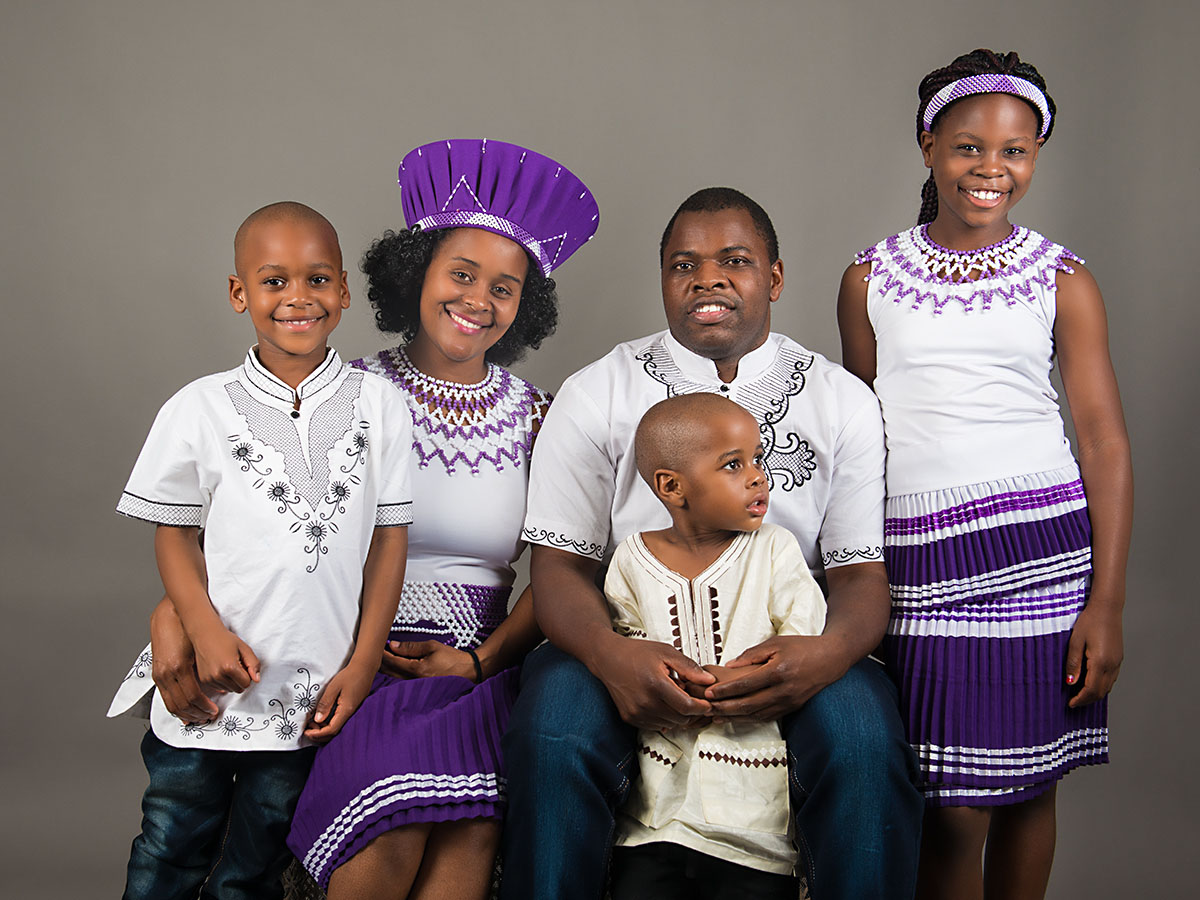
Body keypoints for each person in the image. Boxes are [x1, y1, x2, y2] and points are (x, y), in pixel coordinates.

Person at [148, 140, 600, 900]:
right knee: (390, 826)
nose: (479, 300)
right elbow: (241, 527)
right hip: (350, 661)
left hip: (476, 671)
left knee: (473, 831)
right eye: (461, 274)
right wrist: (172, 615)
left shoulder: (541, 420)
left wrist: (482, 662)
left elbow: (564, 577)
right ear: (413, 273)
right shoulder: (345, 396)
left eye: (505, 287)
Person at [504, 187, 924, 900]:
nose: (708, 279)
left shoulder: (839, 397)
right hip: (629, 635)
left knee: (861, 737)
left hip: (791, 638)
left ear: (775, 278)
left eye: (735, 260)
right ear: (663, 280)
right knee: (554, 726)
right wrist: (611, 654)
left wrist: (820, 657)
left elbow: (858, 576)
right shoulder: (597, 390)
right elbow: (559, 568)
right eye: (683, 265)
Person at [836, 49, 1131, 900]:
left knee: (1029, 788)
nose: (990, 169)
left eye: (1014, 151)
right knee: (951, 803)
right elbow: (860, 436)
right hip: (921, 561)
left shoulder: (1062, 278)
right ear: (928, 146)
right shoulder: (868, 279)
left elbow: (1104, 442)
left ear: (1035, 158)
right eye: (969, 146)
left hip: (1042, 555)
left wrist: (1104, 603)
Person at [107, 201, 414, 900]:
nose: (297, 299)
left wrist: (364, 664)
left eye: (316, 279)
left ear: (341, 290)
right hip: (207, 687)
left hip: (307, 699)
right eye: (274, 282)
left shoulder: (379, 406)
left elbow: (388, 543)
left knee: (253, 870)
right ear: (239, 293)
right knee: (169, 848)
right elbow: (174, 532)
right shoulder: (199, 407)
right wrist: (204, 630)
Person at [605, 393, 826, 900]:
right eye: (733, 465)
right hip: (651, 816)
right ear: (671, 486)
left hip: (752, 819)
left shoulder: (774, 548)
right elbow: (630, 645)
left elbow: (802, 634)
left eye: (757, 459)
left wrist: (743, 678)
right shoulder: (632, 560)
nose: (757, 476)